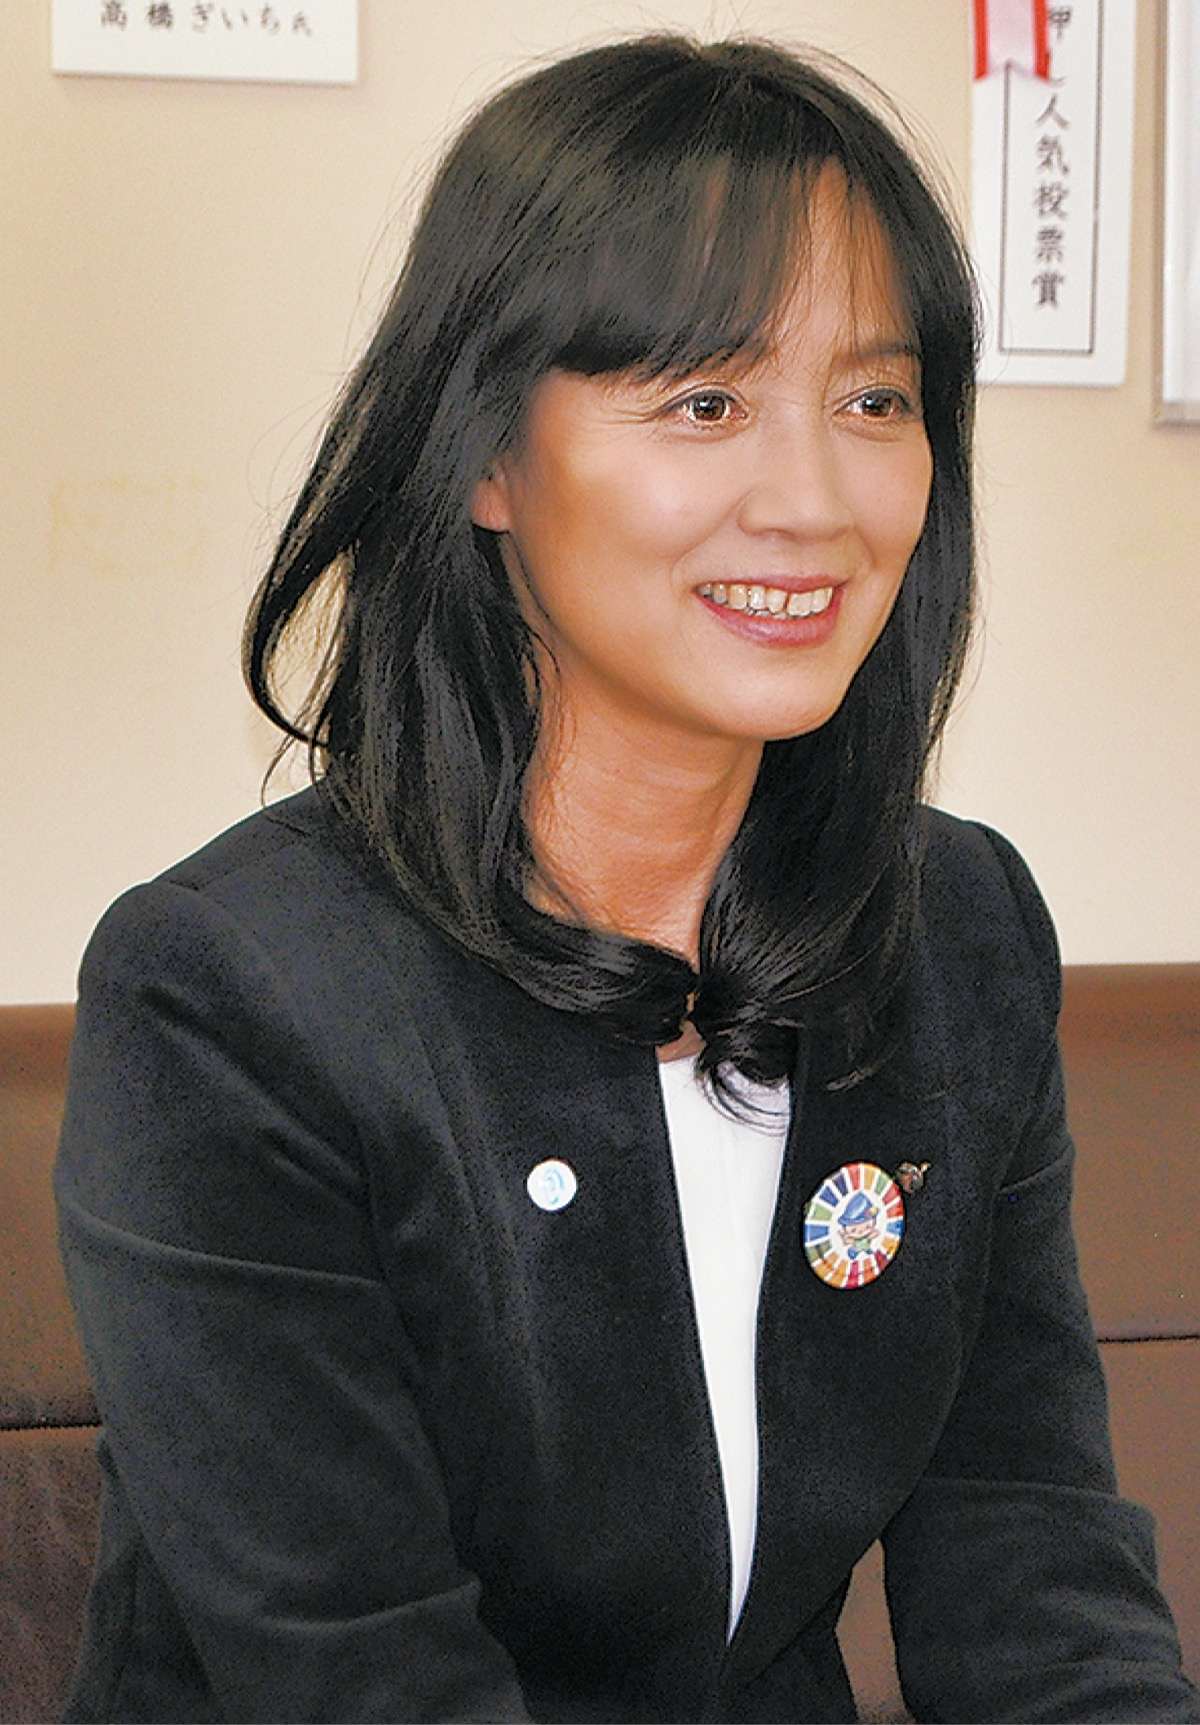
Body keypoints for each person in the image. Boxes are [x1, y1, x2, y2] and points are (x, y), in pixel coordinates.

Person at [54, 34, 1197, 1725]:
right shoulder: (230, 994)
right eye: (705, 402)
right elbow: (364, 1679)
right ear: (484, 456)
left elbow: (1035, 1569)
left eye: (874, 401)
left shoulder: (956, 930)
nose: (812, 501)